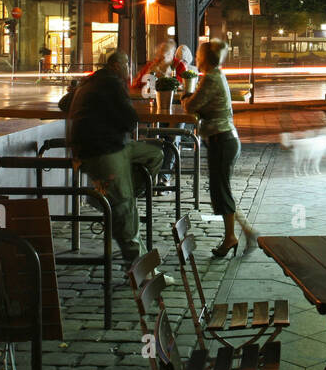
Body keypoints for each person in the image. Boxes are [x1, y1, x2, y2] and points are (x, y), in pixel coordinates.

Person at [67, 51, 164, 266]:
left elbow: (64, 104)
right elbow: (130, 120)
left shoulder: (93, 80)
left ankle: (116, 197)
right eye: (128, 64)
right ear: (118, 66)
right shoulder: (111, 84)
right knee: (125, 208)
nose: (130, 69)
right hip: (103, 149)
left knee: (155, 155)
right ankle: (142, 269)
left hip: (112, 144)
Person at [184, 38, 256, 257]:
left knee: (221, 190)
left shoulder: (210, 78)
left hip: (221, 140)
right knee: (222, 189)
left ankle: (232, 237)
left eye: (198, 55)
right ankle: (243, 232)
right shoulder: (216, 75)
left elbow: (191, 106)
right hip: (224, 139)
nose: (196, 59)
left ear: (204, 58)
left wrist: (185, 94)